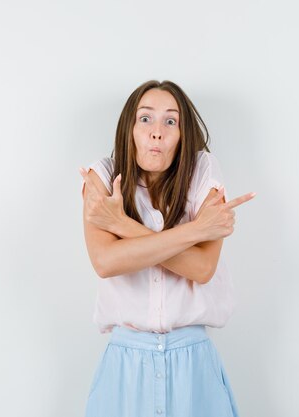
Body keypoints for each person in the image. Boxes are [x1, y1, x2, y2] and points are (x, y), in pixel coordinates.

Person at [79, 80, 255, 417]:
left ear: (182, 136)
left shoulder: (203, 171)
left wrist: (122, 226)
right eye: (145, 119)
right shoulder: (101, 177)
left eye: (170, 121)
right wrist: (196, 230)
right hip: (124, 368)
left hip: (194, 365)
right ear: (128, 129)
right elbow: (105, 261)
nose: (156, 132)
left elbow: (203, 268)